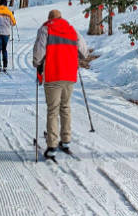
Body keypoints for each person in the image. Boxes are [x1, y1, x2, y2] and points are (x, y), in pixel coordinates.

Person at [32, 9, 96, 159]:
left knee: (53, 110)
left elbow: (39, 52)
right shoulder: (71, 29)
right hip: (69, 75)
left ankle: (52, 145)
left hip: (53, 74)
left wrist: (37, 64)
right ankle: (66, 140)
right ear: (61, 17)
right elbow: (84, 52)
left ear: (49, 18)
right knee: (65, 107)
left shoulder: (45, 29)